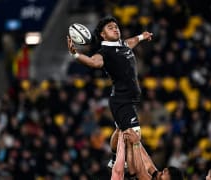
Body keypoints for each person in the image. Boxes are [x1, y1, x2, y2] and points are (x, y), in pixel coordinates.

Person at [67, 16, 153, 167]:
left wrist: (142, 36)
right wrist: (76, 54)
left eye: (116, 26)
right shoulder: (105, 52)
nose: (115, 28)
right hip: (122, 100)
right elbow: (94, 62)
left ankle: (114, 159)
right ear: (103, 35)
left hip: (126, 98)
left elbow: (131, 42)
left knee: (120, 130)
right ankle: (130, 166)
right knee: (135, 134)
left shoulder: (122, 45)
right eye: (110, 27)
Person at [112, 128, 184, 180]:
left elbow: (140, 171)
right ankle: (119, 127)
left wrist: (136, 143)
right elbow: (148, 163)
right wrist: (135, 139)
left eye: (164, 173)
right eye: (163, 171)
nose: (163, 170)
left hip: (127, 174)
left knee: (129, 170)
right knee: (122, 145)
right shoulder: (157, 175)